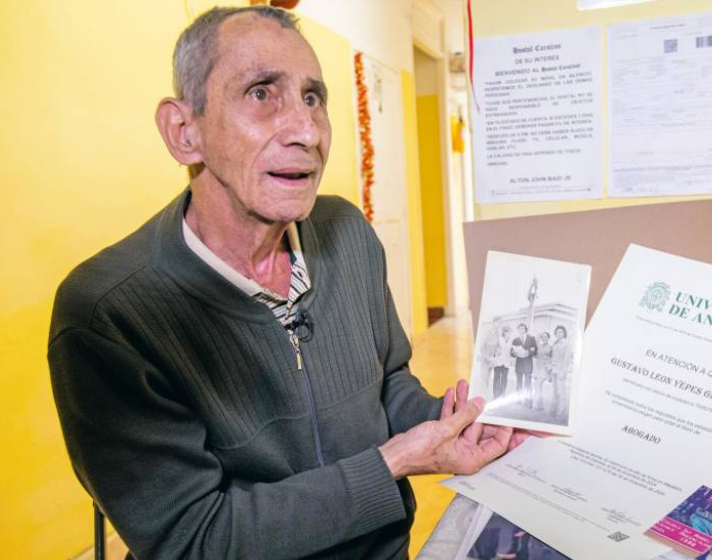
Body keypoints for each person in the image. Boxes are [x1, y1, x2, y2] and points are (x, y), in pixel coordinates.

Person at [47, 7, 520, 560]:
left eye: (313, 98)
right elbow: (193, 540)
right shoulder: (107, 314)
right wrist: (395, 461)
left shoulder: (347, 232)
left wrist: (446, 424)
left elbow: (387, 380)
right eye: (261, 93)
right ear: (184, 132)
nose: (306, 132)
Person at [548, 325, 573, 421]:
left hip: (561, 370)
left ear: (564, 333)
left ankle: (560, 413)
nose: (559, 333)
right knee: (554, 392)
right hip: (553, 370)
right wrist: (550, 367)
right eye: (557, 332)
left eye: (561, 332)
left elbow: (567, 359)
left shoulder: (567, 343)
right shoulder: (555, 343)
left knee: (561, 392)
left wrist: (563, 372)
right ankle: (552, 412)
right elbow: (553, 357)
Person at [510, 323, 537, 408]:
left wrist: (528, 352)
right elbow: (512, 352)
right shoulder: (515, 340)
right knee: (519, 383)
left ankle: (528, 402)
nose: (521, 330)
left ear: (525, 329)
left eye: (523, 328)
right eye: (519, 329)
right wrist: (513, 353)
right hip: (519, 364)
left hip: (528, 364)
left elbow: (535, 350)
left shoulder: (532, 338)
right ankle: (518, 401)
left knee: (528, 384)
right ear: (518, 330)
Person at [492, 324, 514, 401]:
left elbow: (512, 352)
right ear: (504, 332)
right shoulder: (499, 339)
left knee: (504, 379)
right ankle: (495, 395)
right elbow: (494, 348)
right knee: (497, 379)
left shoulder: (512, 341)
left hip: (506, 362)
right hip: (498, 362)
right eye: (507, 332)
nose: (508, 333)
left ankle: (502, 395)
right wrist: (496, 351)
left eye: (510, 332)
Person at [532, 331, 552, 411]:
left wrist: (550, 370)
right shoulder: (539, 346)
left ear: (548, 338)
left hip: (545, 369)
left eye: (546, 337)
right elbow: (536, 355)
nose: (544, 338)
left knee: (538, 385)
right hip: (538, 368)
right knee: (538, 387)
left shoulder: (551, 347)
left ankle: (536, 405)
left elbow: (552, 358)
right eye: (543, 337)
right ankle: (540, 405)